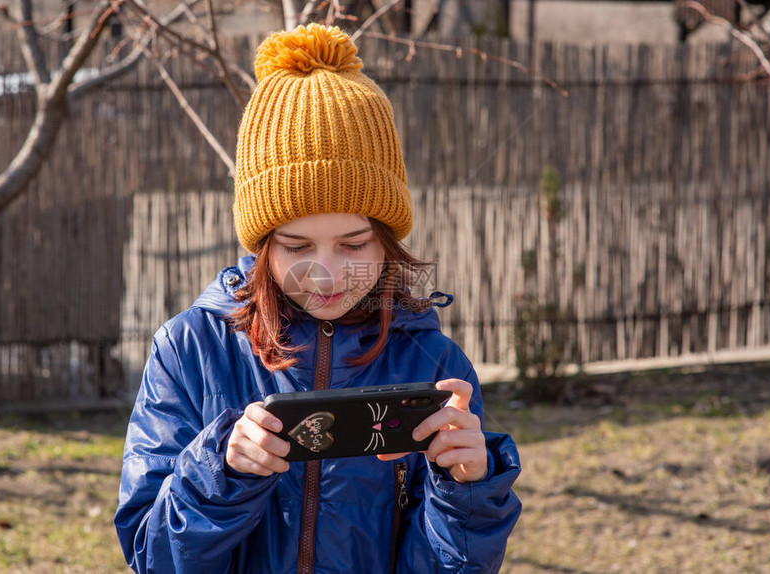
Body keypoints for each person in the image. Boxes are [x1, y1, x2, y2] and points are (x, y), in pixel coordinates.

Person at [114, 23, 521, 573]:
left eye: (354, 243)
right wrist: (221, 471)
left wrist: (466, 493)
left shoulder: (435, 366)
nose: (326, 275)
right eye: (296, 244)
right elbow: (151, 558)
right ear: (261, 245)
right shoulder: (189, 352)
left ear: (388, 240)